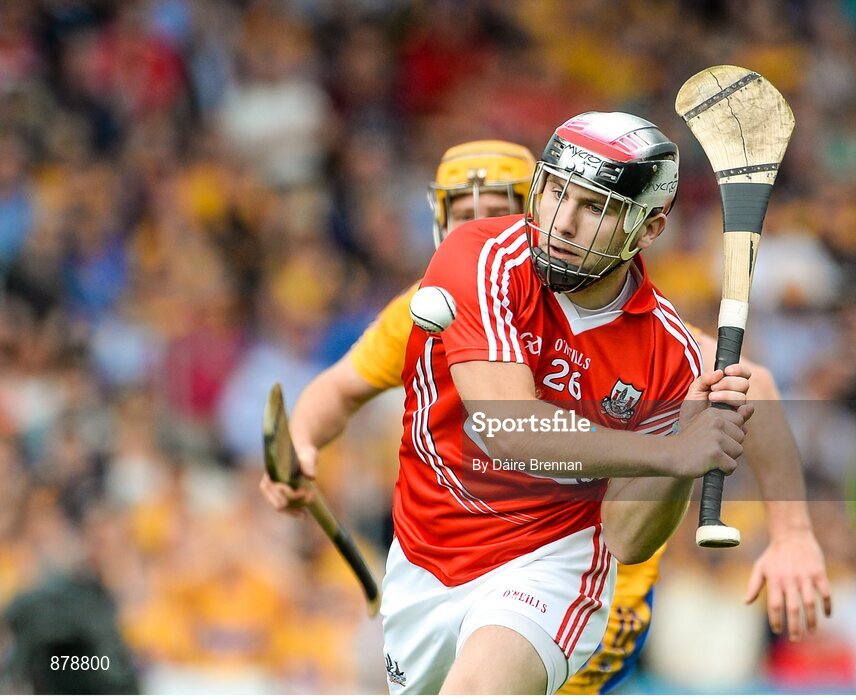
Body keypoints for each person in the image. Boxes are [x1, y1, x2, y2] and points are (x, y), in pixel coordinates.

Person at [263, 123, 826, 693]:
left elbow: (640, 525)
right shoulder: (470, 268)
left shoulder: (667, 348)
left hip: (560, 568)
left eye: (592, 206)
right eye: (555, 195)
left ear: (648, 227)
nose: (562, 224)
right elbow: (499, 425)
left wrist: (785, 529)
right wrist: (302, 442)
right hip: (430, 561)